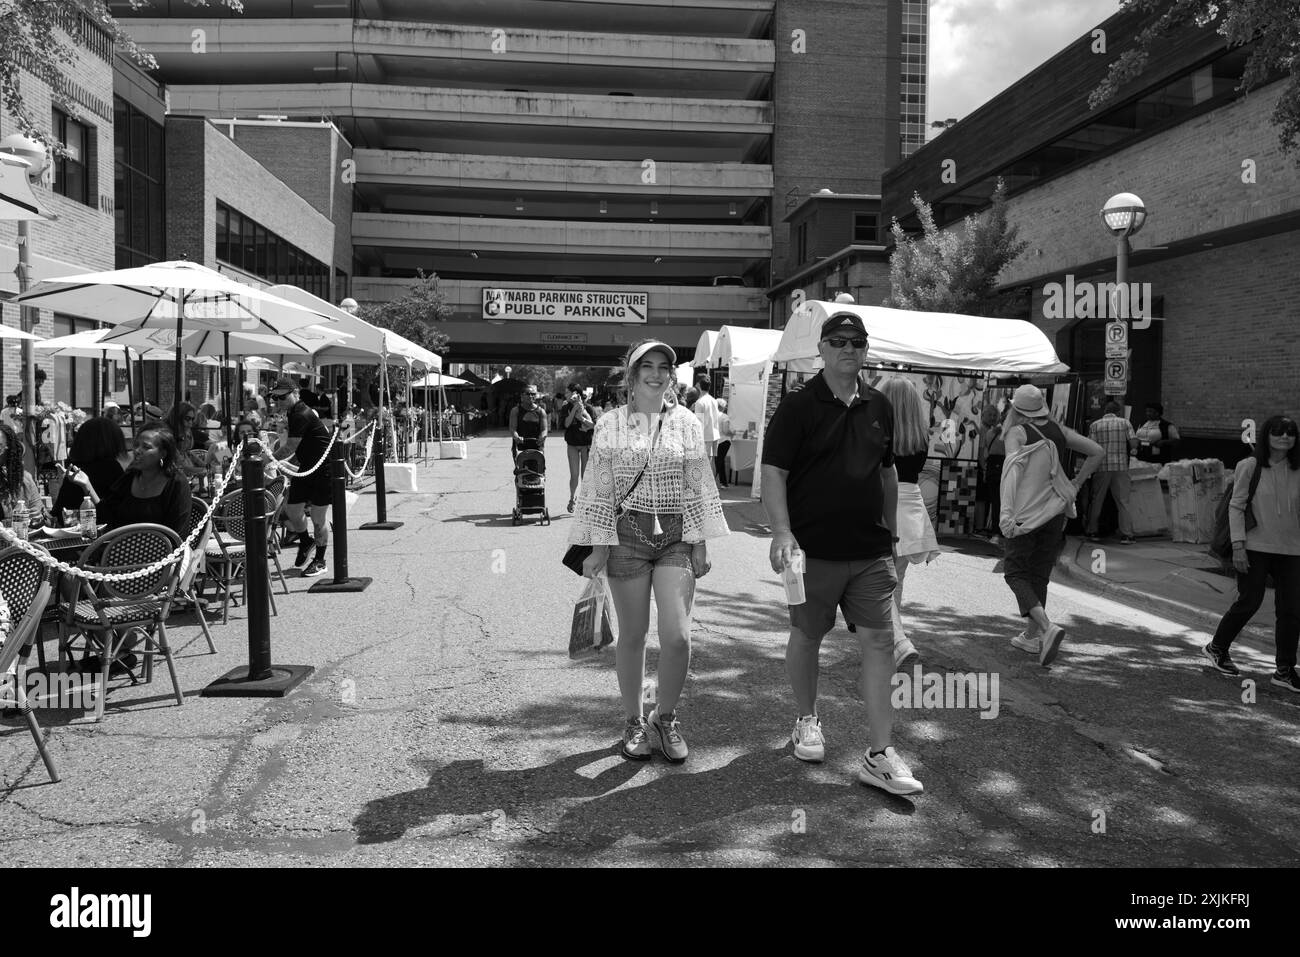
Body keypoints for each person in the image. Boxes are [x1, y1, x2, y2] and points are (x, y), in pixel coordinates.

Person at [761, 311, 921, 796]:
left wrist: (892, 538)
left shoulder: (879, 405)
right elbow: (774, 474)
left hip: (869, 551)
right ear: (823, 350)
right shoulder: (797, 406)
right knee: (807, 635)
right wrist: (782, 532)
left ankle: (879, 754)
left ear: (865, 349)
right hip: (810, 552)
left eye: (857, 342)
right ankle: (807, 720)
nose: (849, 348)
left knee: (877, 643)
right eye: (838, 341)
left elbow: (887, 474)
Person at [569, 340, 727, 763]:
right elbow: (599, 487)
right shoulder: (609, 424)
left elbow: (697, 483)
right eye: (647, 367)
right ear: (632, 376)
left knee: (677, 636)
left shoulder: (688, 423)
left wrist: (700, 540)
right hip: (627, 538)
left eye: (663, 367)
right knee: (634, 635)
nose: (656, 374)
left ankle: (666, 716)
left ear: (671, 375)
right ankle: (635, 721)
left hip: (675, 535)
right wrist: (599, 547)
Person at [1000, 385, 1103, 666]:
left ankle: (1046, 628)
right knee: (1039, 574)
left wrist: (1006, 514)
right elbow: (1097, 451)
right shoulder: (1059, 431)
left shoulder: (1016, 433)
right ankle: (1031, 637)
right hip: (1055, 513)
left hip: (1026, 514)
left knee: (1015, 573)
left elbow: (1011, 474)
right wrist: (1076, 484)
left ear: (1016, 409)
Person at [1204, 415, 1300, 691]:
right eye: (1279, 432)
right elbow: (1236, 506)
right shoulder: (1251, 465)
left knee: (1292, 610)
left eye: (1291, 433)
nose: (1285, 437)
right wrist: (1238, 546)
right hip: (1254, 546)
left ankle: (1284, 669)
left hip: (1292, 549)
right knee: (1250, 601)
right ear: (1267, 435)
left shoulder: (1298, 468)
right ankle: (1217, 648)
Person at [877, 376, 940, 672]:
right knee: (895, 582)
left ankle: (899, 641)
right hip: (912, 508)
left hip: (883, 506)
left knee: (877, 582)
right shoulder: (920, 437)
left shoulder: (877, 433)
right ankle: (893, 644)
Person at [269, 376, 332, 578]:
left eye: (282, 397)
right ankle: (306, 541)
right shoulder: (292, 411)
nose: (278, 401)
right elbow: (301, 445)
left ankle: (321, 561)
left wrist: (266, 459)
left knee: (318, 518)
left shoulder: (301, 413)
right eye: (275, 398)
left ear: (295, 393)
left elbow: (290, 446)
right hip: (306, 466)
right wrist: (289, 461)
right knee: (292, 510)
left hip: (324, 469)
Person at [97, 427, 192, 538]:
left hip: (164, 552)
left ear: (163, 454)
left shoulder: (176, 483)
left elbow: (179, 533)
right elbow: (105, 516)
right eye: (136, 445)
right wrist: (86, 485)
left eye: (146, 447)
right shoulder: (130, 477)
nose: (137, 451)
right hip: (121, 549)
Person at [54, 416, 128, 526]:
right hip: (100, 535)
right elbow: (114, 514)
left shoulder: (74, 467)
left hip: (67, 532)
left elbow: (58, 511)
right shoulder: (112, 468)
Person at [1085, 400, 1139, 543]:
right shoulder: (1125, 423)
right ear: (1118, 411)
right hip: (1120, 466)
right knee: (1123, 501)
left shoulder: (1095, 425)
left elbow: (1091, 447)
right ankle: (1126, 534)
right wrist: (1134, 449)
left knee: (1097, 499)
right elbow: (1133, 443)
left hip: (1101, 466)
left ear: (1105, 411)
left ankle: (1092, 531)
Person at [0, 421, 44, 528]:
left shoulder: (25, 479)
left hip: (23, 540)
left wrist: (38, 517)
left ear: (9, 450)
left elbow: (42, 514)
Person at [562, 382, 597, 513]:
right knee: (574, 475)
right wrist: (574, 410)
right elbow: (566, 424)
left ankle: (586, 503)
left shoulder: (588, 407)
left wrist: (581, 417)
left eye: (567, 392)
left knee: (585, 476)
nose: (565, 394)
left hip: (586, 445)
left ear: (575, 393)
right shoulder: (566, 407)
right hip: (572, 444)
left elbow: (594, 425)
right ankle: (572, 499)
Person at [165, 403, 210, 482]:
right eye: (188, 418)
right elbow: (181, 466)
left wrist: (206, 466)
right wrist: (207, 468)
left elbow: (188, 453)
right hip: (182, 475)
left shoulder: (188, 431)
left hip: (193, 467)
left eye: (192, 419)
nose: (191, 423)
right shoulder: (201, 435)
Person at [509, 385, 547, 462]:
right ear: (522, 396)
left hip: (537, 446)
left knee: (539, 471)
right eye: (528, 394)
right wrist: (517, 437)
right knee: (522, 471)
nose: (530, 396)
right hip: (520, 446)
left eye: (533, 394)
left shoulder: (541, 411)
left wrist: (543, 436)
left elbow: (544, 429)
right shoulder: (515, 411)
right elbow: (512, 429)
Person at [692, 379, 721, 465]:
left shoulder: (700, 402)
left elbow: (699, 423)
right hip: (714, 435)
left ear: (700, 387)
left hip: (704, 436)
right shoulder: (714, 400)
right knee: (710, 464)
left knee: (702, 465)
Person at [715, 398, 732, 488]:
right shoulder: (724, 417)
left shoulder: (712, 415)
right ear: (723, 407)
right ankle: (714, 481)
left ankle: (723, 482)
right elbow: (726, 431)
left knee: (719, 461)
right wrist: (732, 433)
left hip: (715, 440)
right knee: (719, 462)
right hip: (724, 440)